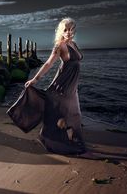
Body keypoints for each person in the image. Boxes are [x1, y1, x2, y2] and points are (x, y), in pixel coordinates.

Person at [7, 17, 98, 158]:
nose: (69, 32)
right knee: (72, 116)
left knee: (73, 115)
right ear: (61, 31)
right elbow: (48, 64)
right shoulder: (60, 46)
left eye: (71, 29)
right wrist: (35, 79)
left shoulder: (73, 44)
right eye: (66, 30)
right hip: (61, 86)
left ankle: (49, 137)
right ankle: (81, 149)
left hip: (71, 88)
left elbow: (75, 64)